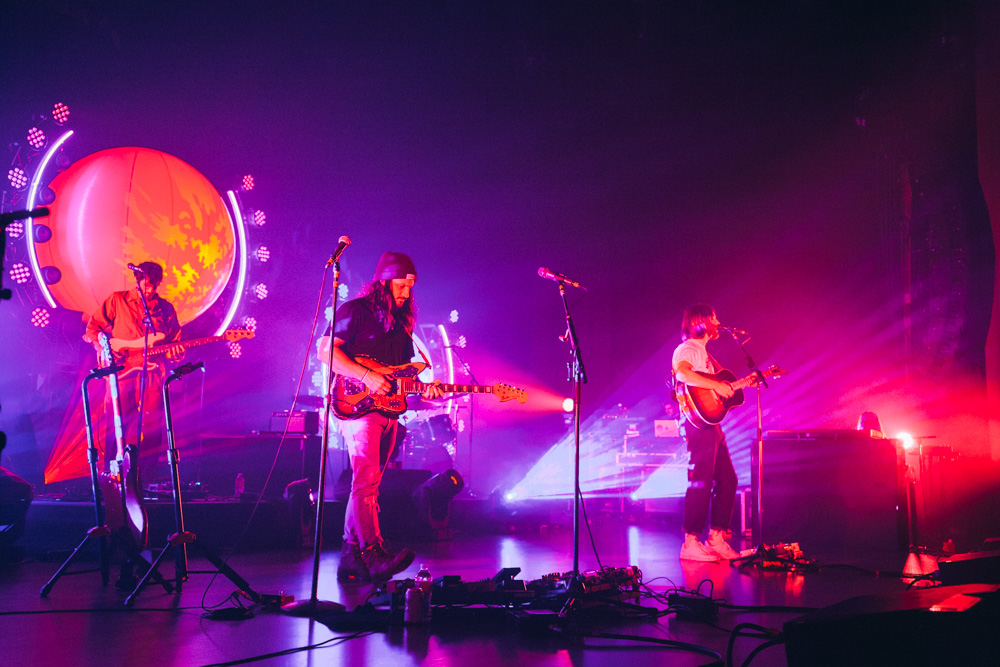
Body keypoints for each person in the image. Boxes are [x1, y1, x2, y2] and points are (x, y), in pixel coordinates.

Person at [317, 251, 443, 583]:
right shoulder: (355, 311)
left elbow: (400, 374)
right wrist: (366, 375)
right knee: (366, 479)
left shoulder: (403, 322)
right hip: (357, 406)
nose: (406, 292)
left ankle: (350, 554)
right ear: (383, 283)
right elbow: (325, 350)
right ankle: (373, 552)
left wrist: (424, 387)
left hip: (387, 410)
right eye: (401, 285)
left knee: (369, 483)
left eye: (410, 286)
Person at [82, 261, 181, 474]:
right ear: (137, 281)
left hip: (153, 373)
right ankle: (111, 474)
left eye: (154, 285)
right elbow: (92, 328)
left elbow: (175, 341)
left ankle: (146, 476)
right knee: (118, 423)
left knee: (153, 424)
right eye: (146, 284)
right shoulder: (118, 300)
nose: (150, 289)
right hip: (121, 371)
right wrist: (103, 349)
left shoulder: (165, 308)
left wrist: (177, 353)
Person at [671, 304, 742, 561]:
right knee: (700, 481)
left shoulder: (705, 353)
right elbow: (683, 373)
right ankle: (690, 543)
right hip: (697, 426)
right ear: (702, 322)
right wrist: (716, 385)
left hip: (711, 426)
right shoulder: (689, 348)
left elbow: (711, 391)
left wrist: (741, 384)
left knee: (728, 480)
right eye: (714, 317)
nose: (718, 321)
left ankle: (716, 539)